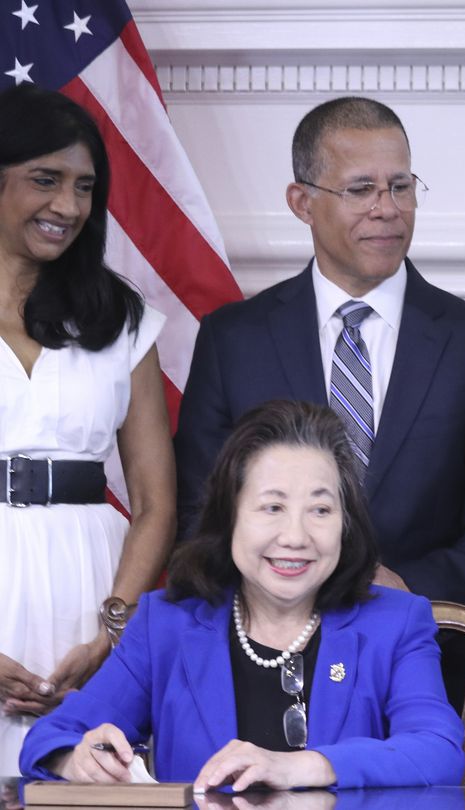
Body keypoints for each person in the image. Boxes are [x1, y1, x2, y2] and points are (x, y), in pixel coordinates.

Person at [172, 97, 465, 782]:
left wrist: (401, 587)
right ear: (301, 200)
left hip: (421, 669)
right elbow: (198, 517)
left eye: (401, 186)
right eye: (362, 189)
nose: (388, 208)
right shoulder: (233, 339)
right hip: (255, 667)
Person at [20, 400, 463, 789]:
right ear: (230, 516)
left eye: (321, 510)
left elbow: (438, 750)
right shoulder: (166, 623)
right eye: (272, 507)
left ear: (346, 525)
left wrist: (299, 767)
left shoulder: (396, 622)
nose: (295, 536)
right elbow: (54, 735)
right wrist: (73, 758)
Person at [0, 86, 175, 777]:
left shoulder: (120, 319)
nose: (69, 207)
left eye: (84, 188)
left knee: (81, 775)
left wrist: (113, 628)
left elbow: (157, 501)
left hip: (89, 590)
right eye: (46, 180)